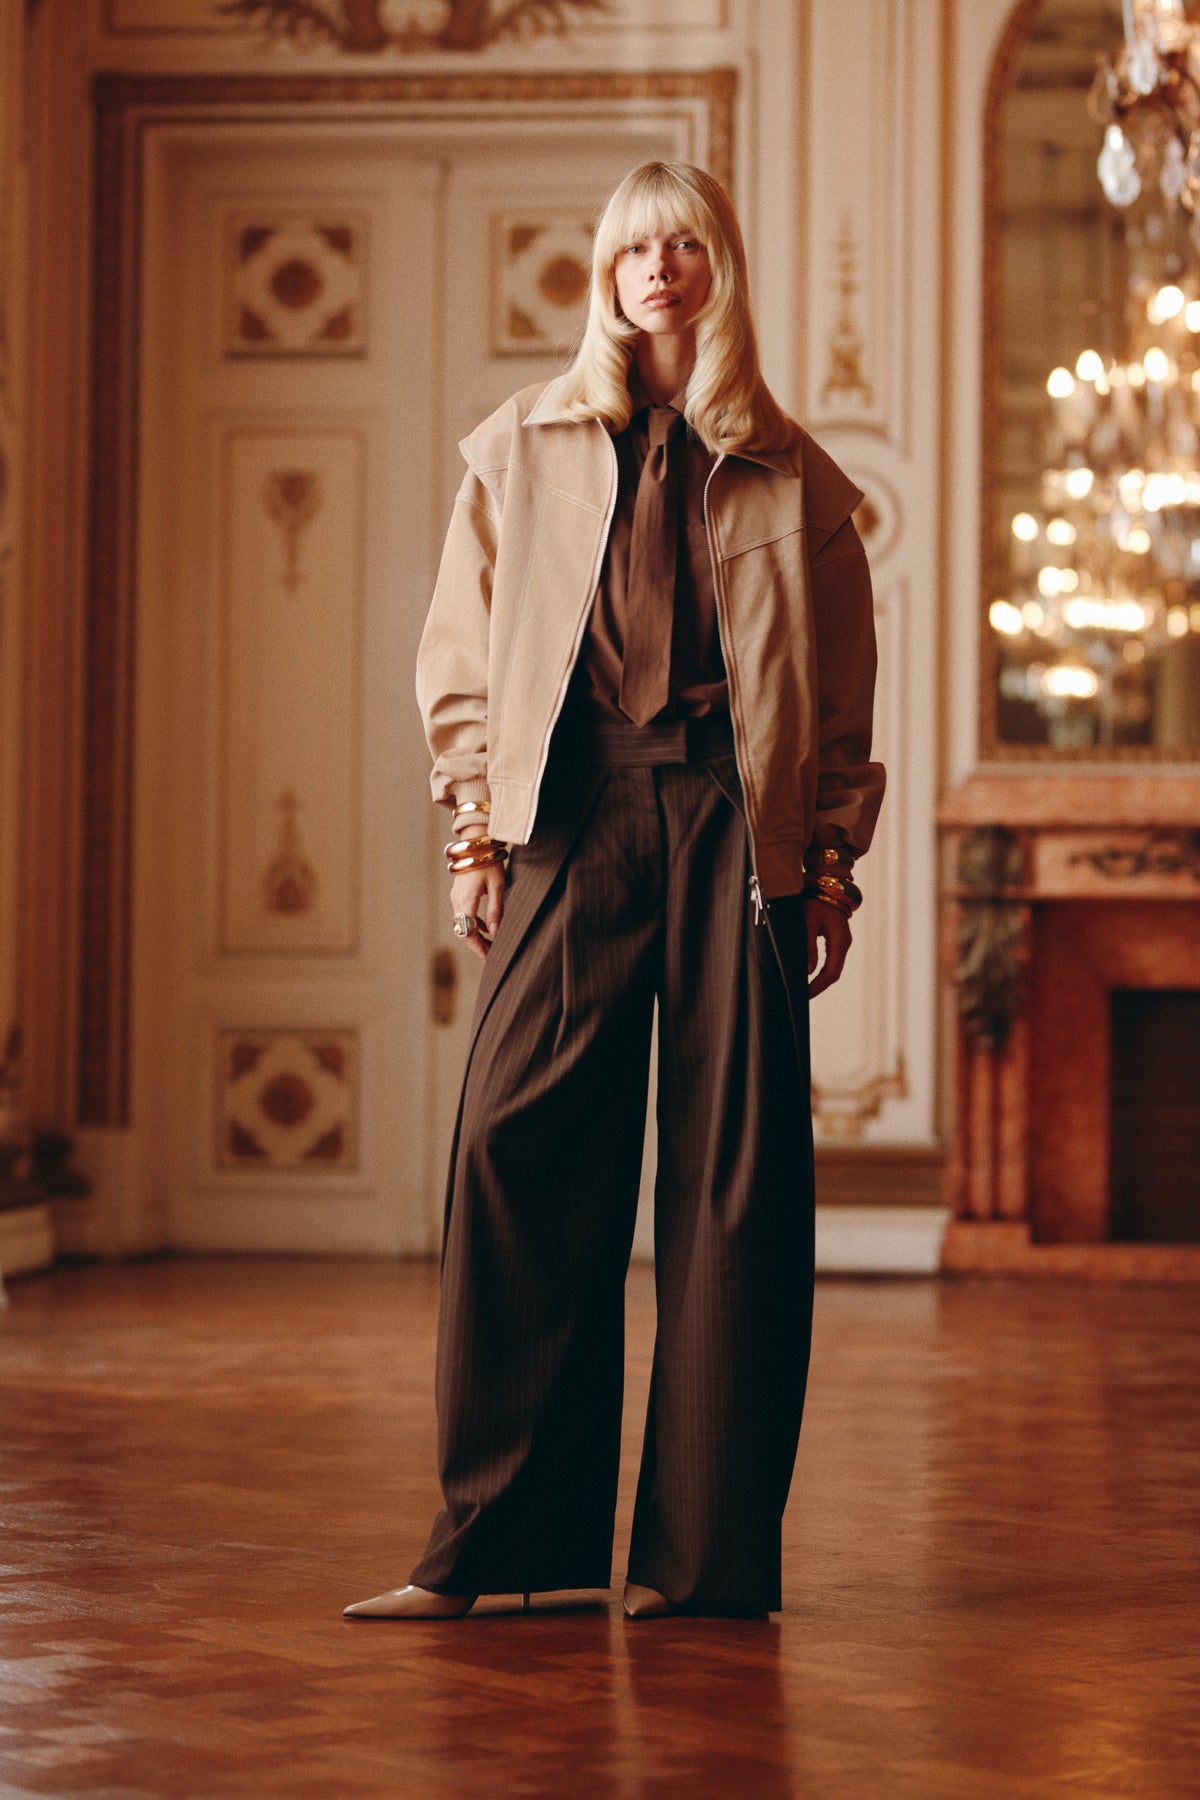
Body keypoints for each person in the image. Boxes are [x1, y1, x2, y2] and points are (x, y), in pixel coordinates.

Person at [345, 160, 885, 1622]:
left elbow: (841, 705)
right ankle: (504, 1553)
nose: (658, 268)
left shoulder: (793, 475)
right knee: (513, 1148)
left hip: (735, 833)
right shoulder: (518, 449)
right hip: (570, 820)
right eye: (634, 248)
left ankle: (701, 1565)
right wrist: (474, 837)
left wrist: (828, 875)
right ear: (605, 274)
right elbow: (461, 660)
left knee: (732, 1188)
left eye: (684, 244)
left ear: (720, 269)